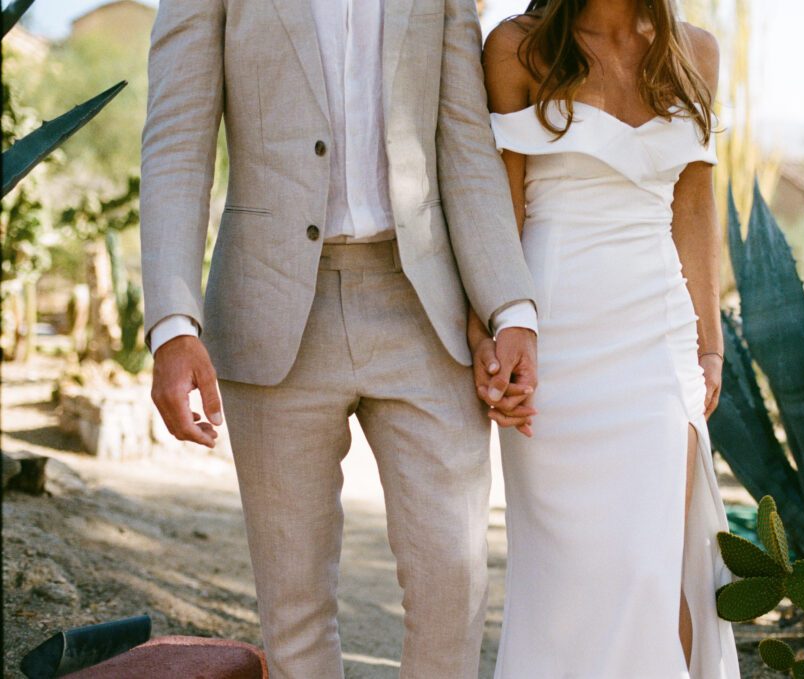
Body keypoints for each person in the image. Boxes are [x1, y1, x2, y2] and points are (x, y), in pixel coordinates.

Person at [139, 1, 539, 677]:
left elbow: (465, 142)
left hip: (424, 306)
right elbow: (178, 140)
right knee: (294, 608)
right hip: (270, 310)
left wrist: (511, 307)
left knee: (454, 579)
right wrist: (173, 325)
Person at [474, 0, 742, 675]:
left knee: (653, 565)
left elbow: (694, 205)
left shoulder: (695, 54)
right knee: (567, 575)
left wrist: (709, 345)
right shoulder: (517, 48)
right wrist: (494, 330)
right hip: (552, 334)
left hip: (658, 337)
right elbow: (499, 211)